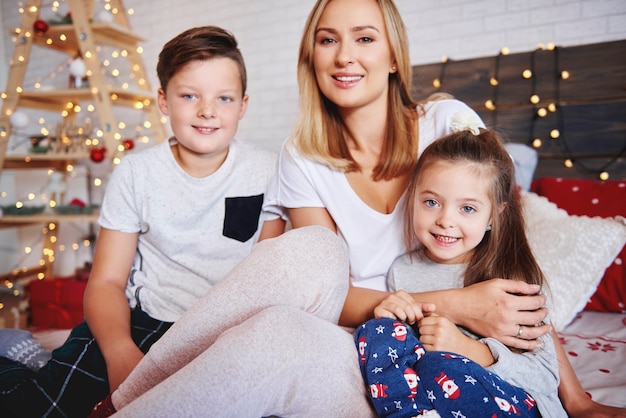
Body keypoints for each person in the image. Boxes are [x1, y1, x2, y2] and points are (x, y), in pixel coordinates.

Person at [90, 1, 626, 417]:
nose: (345, 55)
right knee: (302, 269)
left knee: (280, 319)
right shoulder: (300, 156)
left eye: (364, 38)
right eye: (328, 40)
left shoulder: (448, 126)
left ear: (393, 54)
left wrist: (575, 401)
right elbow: (321, 292)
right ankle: (129, 401)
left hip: (451, 368)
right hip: (360, 353)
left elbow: (513, 270)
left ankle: (126, 400)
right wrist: (453, 304)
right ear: (312, 58)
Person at [0, 25, 277, 418]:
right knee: (38, 408)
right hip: (142, 323)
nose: (207, 111)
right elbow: (107, 283)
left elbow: (267, 278)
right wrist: (119, 352)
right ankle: (19, 355)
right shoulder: (137, 173)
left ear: (243, 105)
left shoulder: (267, 171)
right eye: (189, 96)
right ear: (164, 101)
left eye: (224, 98)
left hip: (224, 332)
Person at [355, 125, 565, 417]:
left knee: (440, 365)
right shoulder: (403, 269)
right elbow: (403, 359)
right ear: (412, 198)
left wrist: (468, 348)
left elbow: (545, 378)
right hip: (435, 401)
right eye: (431, 202)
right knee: (375, 328)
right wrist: (393, 312)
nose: (445, 220)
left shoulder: (516, 277)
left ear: (495, 215)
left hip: (511, 404)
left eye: (467, 209)